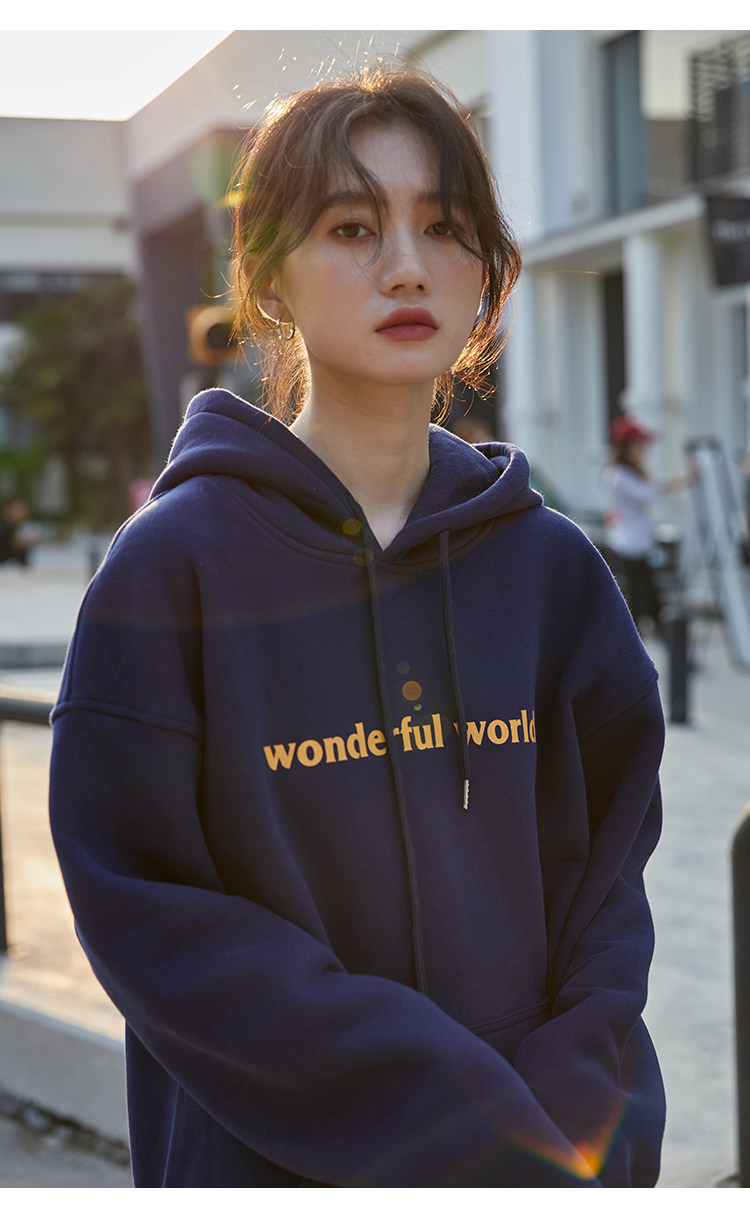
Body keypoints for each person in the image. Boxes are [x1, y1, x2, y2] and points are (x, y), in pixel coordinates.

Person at [49, 64, 666, 1188]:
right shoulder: (170, 571)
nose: (406, 265)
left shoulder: (553, 573)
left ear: (486, 274)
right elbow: (155, 916)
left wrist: (581, 1134)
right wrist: (467, 1122)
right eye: (352, 227)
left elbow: (608, 898)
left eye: (445, 227)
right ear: (268, 275)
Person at [603, 414, 695, 637]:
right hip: (629, 546)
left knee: (648, 602)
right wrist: (686, 479)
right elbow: (651, 492)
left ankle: (661, 643)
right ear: (627, 448)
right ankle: (636, 645)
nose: (643, 451)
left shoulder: (630, 474)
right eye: (639, 447)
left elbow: (654, 488)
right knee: (639, 602)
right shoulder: (618, 475)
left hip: (638, 545)